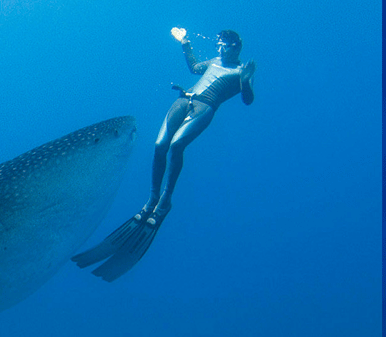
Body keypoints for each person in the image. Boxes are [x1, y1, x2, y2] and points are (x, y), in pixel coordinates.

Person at [72, 28, 256, 282]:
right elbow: (195, 68)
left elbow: (248, 100)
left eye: (223, 45)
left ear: (236, 46)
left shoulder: (241, 71)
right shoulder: (214, 61)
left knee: (177, 146)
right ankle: (152, 199)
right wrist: (185, 42)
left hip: (205, 107)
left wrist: (246, 80)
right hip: (183, 99)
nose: (219, 49)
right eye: (218, 44)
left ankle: (165, 201)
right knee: (160, 146)